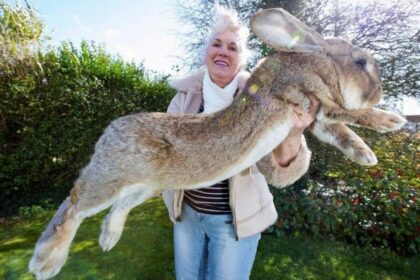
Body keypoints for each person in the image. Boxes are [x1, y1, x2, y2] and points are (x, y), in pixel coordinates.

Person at [162, 7, 319, 280]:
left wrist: (293, 133)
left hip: (234, 224)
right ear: (206, 52)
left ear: (241, 60)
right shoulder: (184, 100)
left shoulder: (262, 101)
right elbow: (165, 153)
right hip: (187, 218)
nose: (223, 51)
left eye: (232, 48)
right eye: (217, 44)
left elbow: (280, 172)